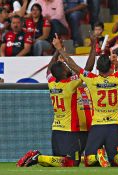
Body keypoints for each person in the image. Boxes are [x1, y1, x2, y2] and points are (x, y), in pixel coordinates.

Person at [53, 29, 118, 167]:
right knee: (116, 163)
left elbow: (73, 65)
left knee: (88, 160)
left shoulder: (92, 80)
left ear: (98, 69)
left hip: (97, 125)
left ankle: (98, 156)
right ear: (111, 67)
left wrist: (59, 49)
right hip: (113, 125)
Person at [17, 34, 97, 167]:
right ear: (64, 74)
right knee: (72, 163)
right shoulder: (69, 85)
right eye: (66, 68)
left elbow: (49, 69)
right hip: (69, 130)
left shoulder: (52, 82)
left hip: (56, 129)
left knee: (59, 161)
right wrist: (93, 46)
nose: (68, 68)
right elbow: (88, 68)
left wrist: (56, 50)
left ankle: (39, 157)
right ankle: (38, 157)